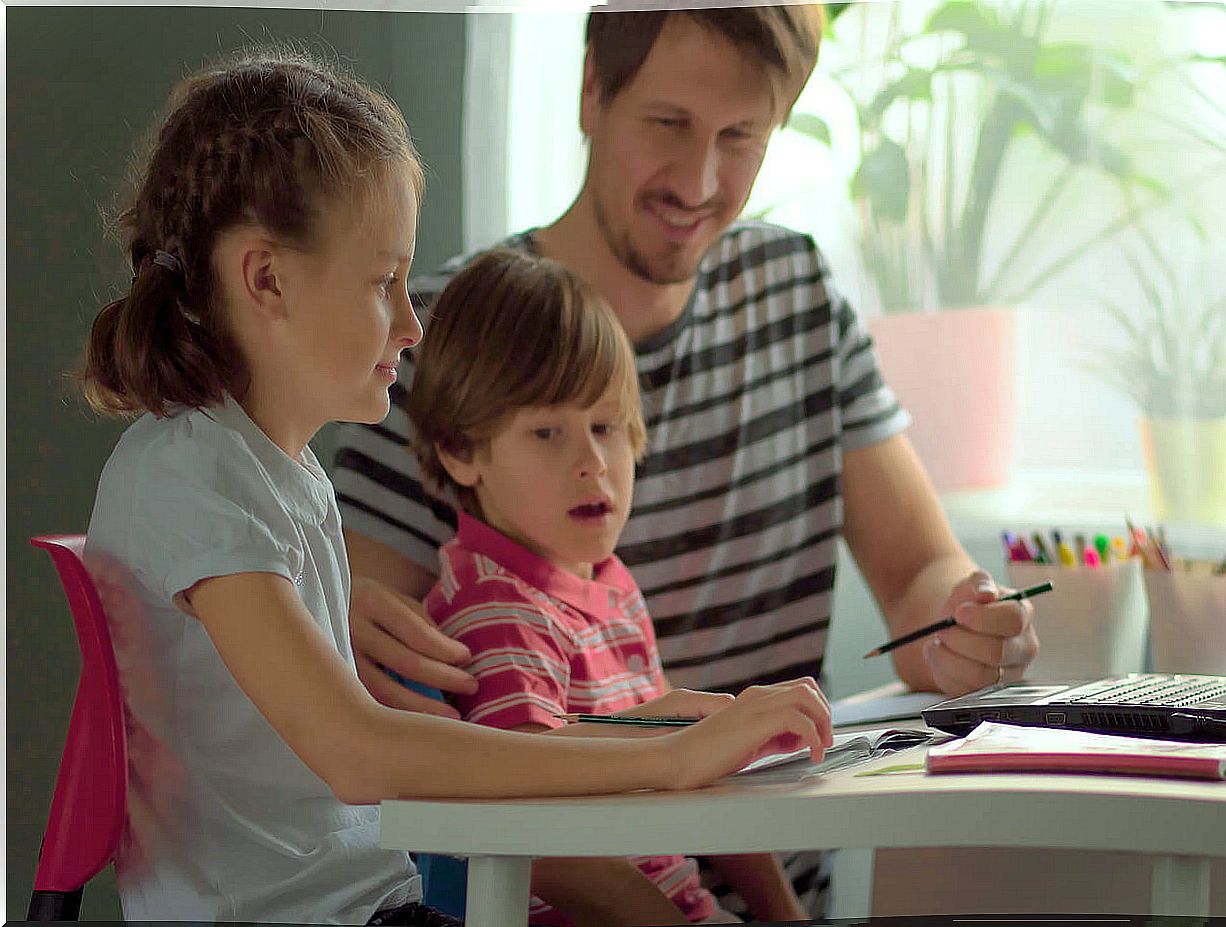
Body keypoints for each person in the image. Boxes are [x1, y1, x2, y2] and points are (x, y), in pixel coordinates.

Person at [77, 51, 831, 925]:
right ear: (267, 278)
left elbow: (394, 748)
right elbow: (359, 752)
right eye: (382, 282)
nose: (411, 322)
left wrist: (655, 727)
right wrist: (669, 760)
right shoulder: (192, 476)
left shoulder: (273, 471)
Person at [331, 4, 1040, 910]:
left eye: (741, 136)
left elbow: (917, 576)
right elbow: (378, 692)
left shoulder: (797, 294)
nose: (700, 179)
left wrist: (964, 620)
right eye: (668, 125)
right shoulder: (444, 333)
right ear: (592, 93)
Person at [406, 248, 806, 926]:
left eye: (604, 426)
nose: (592, 462)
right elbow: (538, 841)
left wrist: (787, 913)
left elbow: (699, 768)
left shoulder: (610, 587)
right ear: (461, 451)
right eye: (547, 431)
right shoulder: (495, 609)